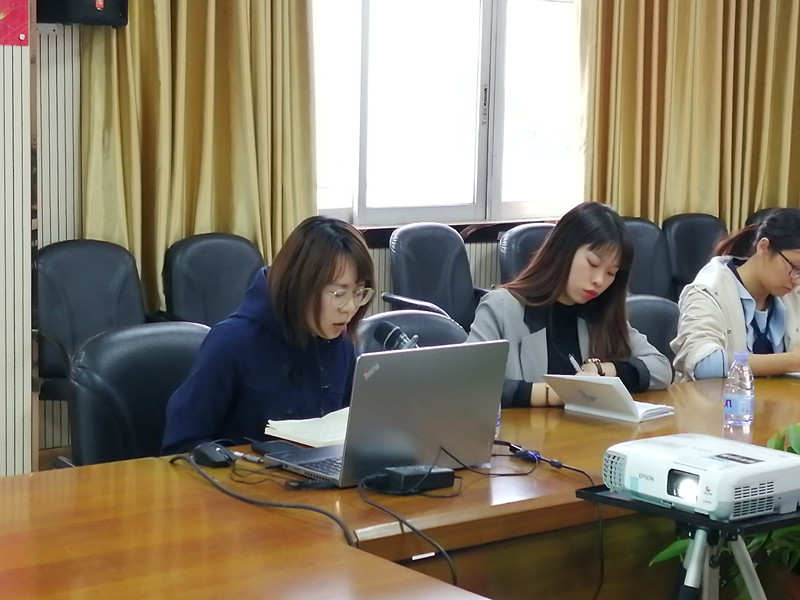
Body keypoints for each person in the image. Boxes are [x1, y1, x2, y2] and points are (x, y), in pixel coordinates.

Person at [161, 216, 375, 454]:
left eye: (358, 293)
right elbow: (181, 445)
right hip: (244, 474)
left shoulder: (342, 343)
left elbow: (346, 431)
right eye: (338, 294)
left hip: (317, 473)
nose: (350, 308)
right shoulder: (231, 342)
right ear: (300, 285)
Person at [467, 202, 672, 407]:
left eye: (611, 273)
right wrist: (562, 392)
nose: (599, 280)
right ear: (564, 249)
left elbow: (661, 368)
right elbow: (469, 383)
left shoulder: (601, 313)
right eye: (593, 263)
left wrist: (602, 370)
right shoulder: (502, 308)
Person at [672, 208, 800, 381]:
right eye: (795, 267)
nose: (796, 280)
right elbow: (703, 363)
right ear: (763, 247)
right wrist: (792, 361)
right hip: (716, 398)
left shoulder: (792, 293)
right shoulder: (708, 290)